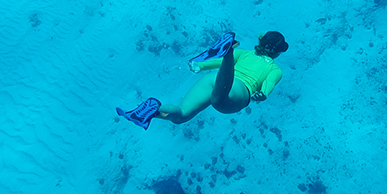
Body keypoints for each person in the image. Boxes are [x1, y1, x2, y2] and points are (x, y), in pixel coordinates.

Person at [116, 31, 289, 129]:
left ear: (260, 39)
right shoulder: (275, 69)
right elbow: (269, 83)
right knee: (219, 101)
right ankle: (227, 51)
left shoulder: (244, 53)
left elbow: (216, 61)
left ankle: (154, 111)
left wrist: (200, 65)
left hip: (214, 78)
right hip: (239, 89)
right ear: (277, 52)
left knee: (181, 115)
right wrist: (263, 94)